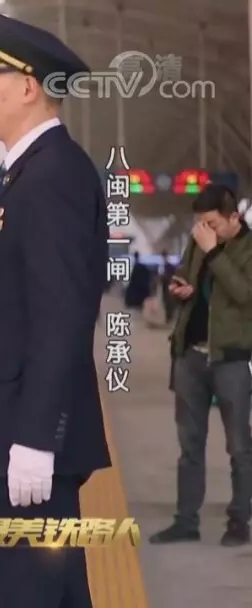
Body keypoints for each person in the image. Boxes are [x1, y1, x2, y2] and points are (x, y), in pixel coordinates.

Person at [0, 10, 109, 608]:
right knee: (51, 595)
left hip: (19, 442)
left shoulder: (51, 177)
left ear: (26, 87)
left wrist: (37, 439)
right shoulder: (27, 174)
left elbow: (60, 313)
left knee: (30, 594)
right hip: (11, 436)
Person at [149, 184, 252, 546]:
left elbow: (244, 293)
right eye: (200, 224)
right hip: (190, 356)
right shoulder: (199, 242)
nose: (204, 230)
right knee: (189, 445)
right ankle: (185, 521)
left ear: (233, 217)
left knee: (239, 446)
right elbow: (186, 274)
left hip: (231, 359)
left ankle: (239, 521)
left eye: (212, 223)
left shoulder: (245, 248)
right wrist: (182, 288)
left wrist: (214, 253)